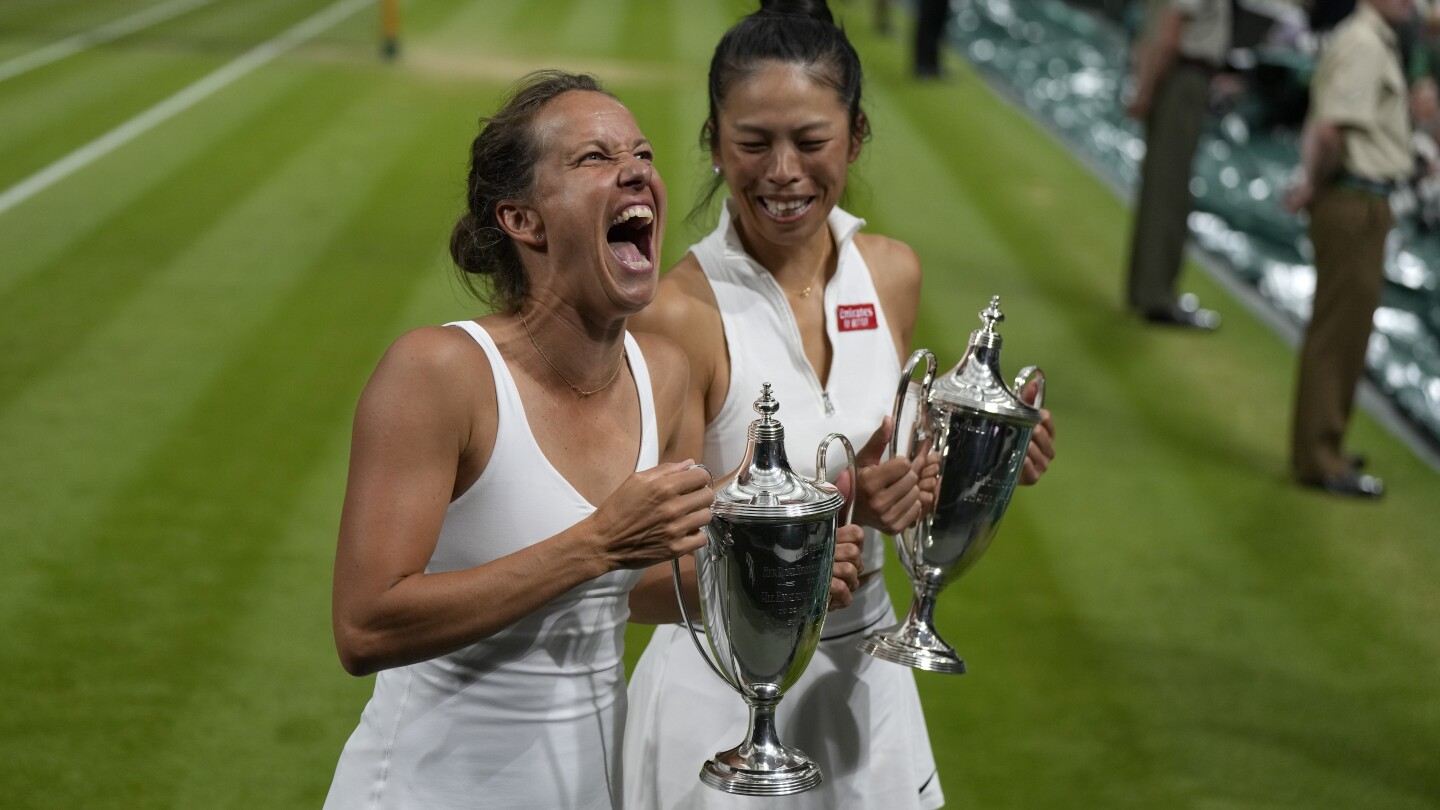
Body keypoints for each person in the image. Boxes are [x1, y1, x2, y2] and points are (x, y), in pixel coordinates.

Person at [623, 2, 1056, 808]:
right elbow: (647, 574)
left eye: (810, 142)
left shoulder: (891, 272)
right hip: (717, 714)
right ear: (714, 143)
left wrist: (980, 463)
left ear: (855, 137)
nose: (782, 171)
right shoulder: (677, 313)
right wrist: (804, 545)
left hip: (867, 690)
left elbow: (906, 471)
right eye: (753, 143)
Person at [320, 71, 723, 809]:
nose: (636, 169)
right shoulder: (439, 373)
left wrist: (786, 545)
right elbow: (364, 625)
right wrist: (597, 541)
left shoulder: (665, 372)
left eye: (641, 152)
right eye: (594, 159)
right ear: (523, 220)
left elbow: (642, 592)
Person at [1283, 0, 1415, 498]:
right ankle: (1318, 456)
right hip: (1353, 198)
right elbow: (1332, 129)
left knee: (1345, 333)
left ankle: (1326, 444)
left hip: (1360, 197)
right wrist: (1314, 185)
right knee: (1339, 334)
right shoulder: (1364, 41)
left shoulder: (1371, 38)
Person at [1123, 0, 1232, 329]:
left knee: (1162, 187)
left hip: (1178, 75)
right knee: (1167, 191)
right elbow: (1171, 31)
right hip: (1182, 76)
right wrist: (1147, 89)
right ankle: (1157, 296)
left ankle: (1147, 289)